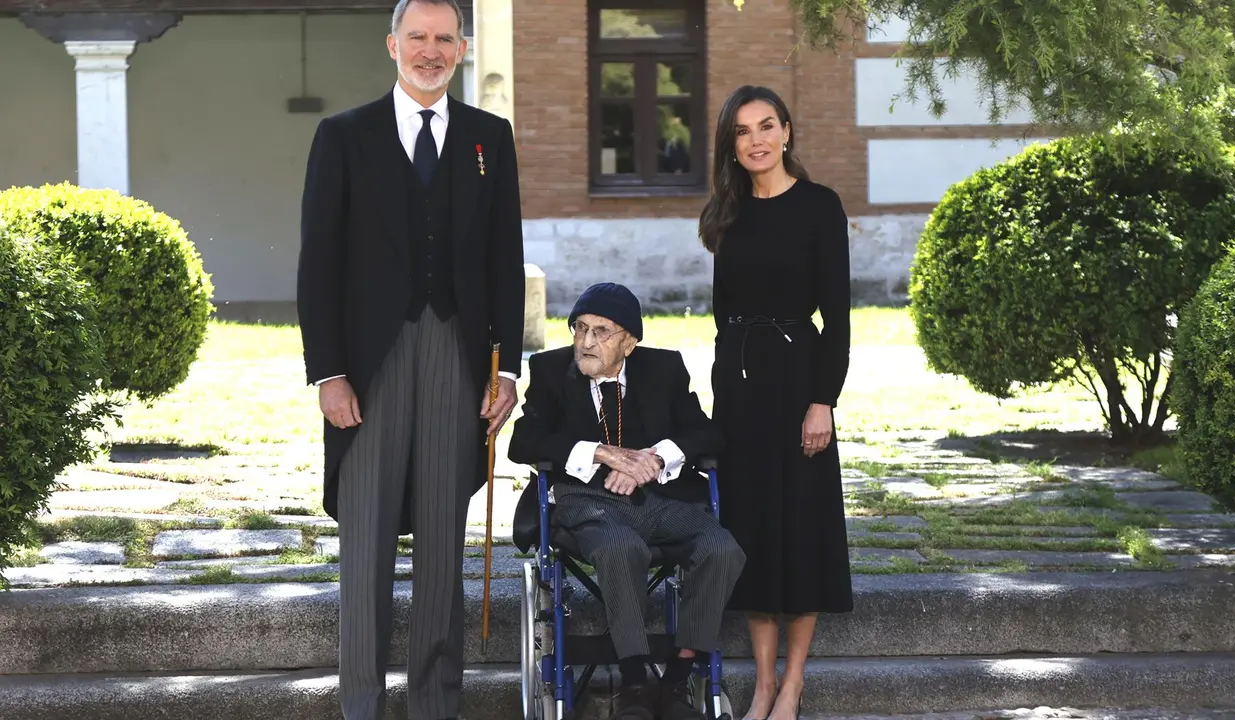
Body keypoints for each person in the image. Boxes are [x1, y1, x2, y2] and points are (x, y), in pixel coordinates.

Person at [295, 0, 525, 716]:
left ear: (462, 48)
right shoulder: (343, 136)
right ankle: (360, 703)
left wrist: (508, 368)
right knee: (362, 545)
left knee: (439, 549)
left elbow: (505, 261)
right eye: (417, 38)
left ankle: (435, 704)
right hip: (369, 365)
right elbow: (318, 264)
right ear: (392, 44)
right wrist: (328, 371)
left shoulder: (491, 138)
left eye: (444, 39)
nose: (431, 51)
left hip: (457, 357)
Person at [508, 283, 746, 720]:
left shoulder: (663, 368)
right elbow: (524, 440)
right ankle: (636, 682)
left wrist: (655, 457)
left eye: (601, 332)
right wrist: (600, 452)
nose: (585, 342)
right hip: (585, 502)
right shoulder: (550, 370)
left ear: (629, 342)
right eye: (579, 328)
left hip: (659, 499)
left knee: (722, 548)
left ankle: (676, 679)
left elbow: (707, 433)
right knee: (621, 548)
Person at [697, 85, 853, 720]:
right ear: (731, 146)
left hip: (797, 382)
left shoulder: (820, 207)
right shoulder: (726, 211)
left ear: (787, 131)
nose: (756, 140)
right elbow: (719, 314)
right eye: (742, 131)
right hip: (739, 390)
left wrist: (823, 401)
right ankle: (762, 685)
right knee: (753, 532)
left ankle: (793, 686)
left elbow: (838, 317)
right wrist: (720, 394)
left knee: (803, 528)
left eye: (767, 126)